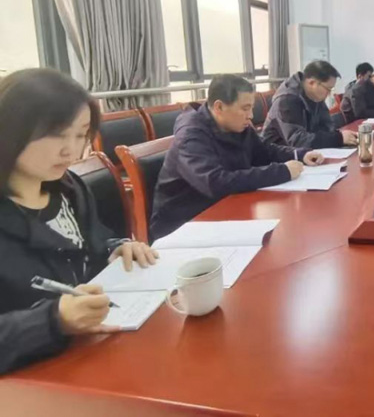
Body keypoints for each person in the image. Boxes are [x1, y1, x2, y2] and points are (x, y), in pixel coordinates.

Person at [0, 69, 158, 373]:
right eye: (56, 134)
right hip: (30, 379)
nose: (71, 150)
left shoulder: (69, 189)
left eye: (80, 134)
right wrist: (54, 321)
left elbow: (91, 246)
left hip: (92, 354)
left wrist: (116, 248)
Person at [150, 75, 324, 240]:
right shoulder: (191, 135)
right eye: (245, 108)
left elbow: (264, 151)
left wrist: (299, 154)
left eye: (251, 108)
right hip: (184, 224)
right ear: (219, 107)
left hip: (226, 210)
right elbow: (215, 182)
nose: (251, 116)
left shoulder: (236, 124)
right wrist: (283, 171)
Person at [261, 60, 359, 148]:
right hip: (277, 156)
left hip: (304, 153)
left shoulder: (315, 96)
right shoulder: (287, 100)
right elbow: (298, 140)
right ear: (312, 83)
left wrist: (342, 136)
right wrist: (338, 139)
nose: (329, 94)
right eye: (328, 89)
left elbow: (327, 126)